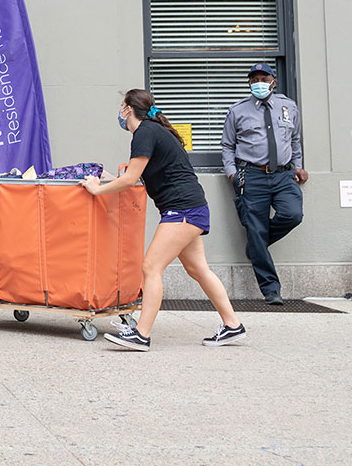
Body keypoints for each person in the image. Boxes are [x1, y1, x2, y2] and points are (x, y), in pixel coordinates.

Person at [81, 88, 244, 351]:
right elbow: (138, 178)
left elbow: (131, 179)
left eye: (121, 107)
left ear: (127, 109)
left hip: (181, 211)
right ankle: (233, 325)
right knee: (198, 270)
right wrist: (108, 178)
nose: (120, 113)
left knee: (150, 268)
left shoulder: (144, 132)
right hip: (191, 208)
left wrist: (96, 190)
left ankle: (141, 335)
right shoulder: (154, 131)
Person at [220, 63, 306, 305]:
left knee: (293, 215)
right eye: (254, 79)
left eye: (264, 78)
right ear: (249, 83)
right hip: (252, 175)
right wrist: (232, 174)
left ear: (273, 81)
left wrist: (298, 165)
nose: (259, 82)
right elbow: (227, 146)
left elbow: (295, 139)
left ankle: (257, 245)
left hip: (283, 175)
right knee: (254, 228)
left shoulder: (288, 106)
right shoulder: (237, 111)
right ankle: (271, 289)